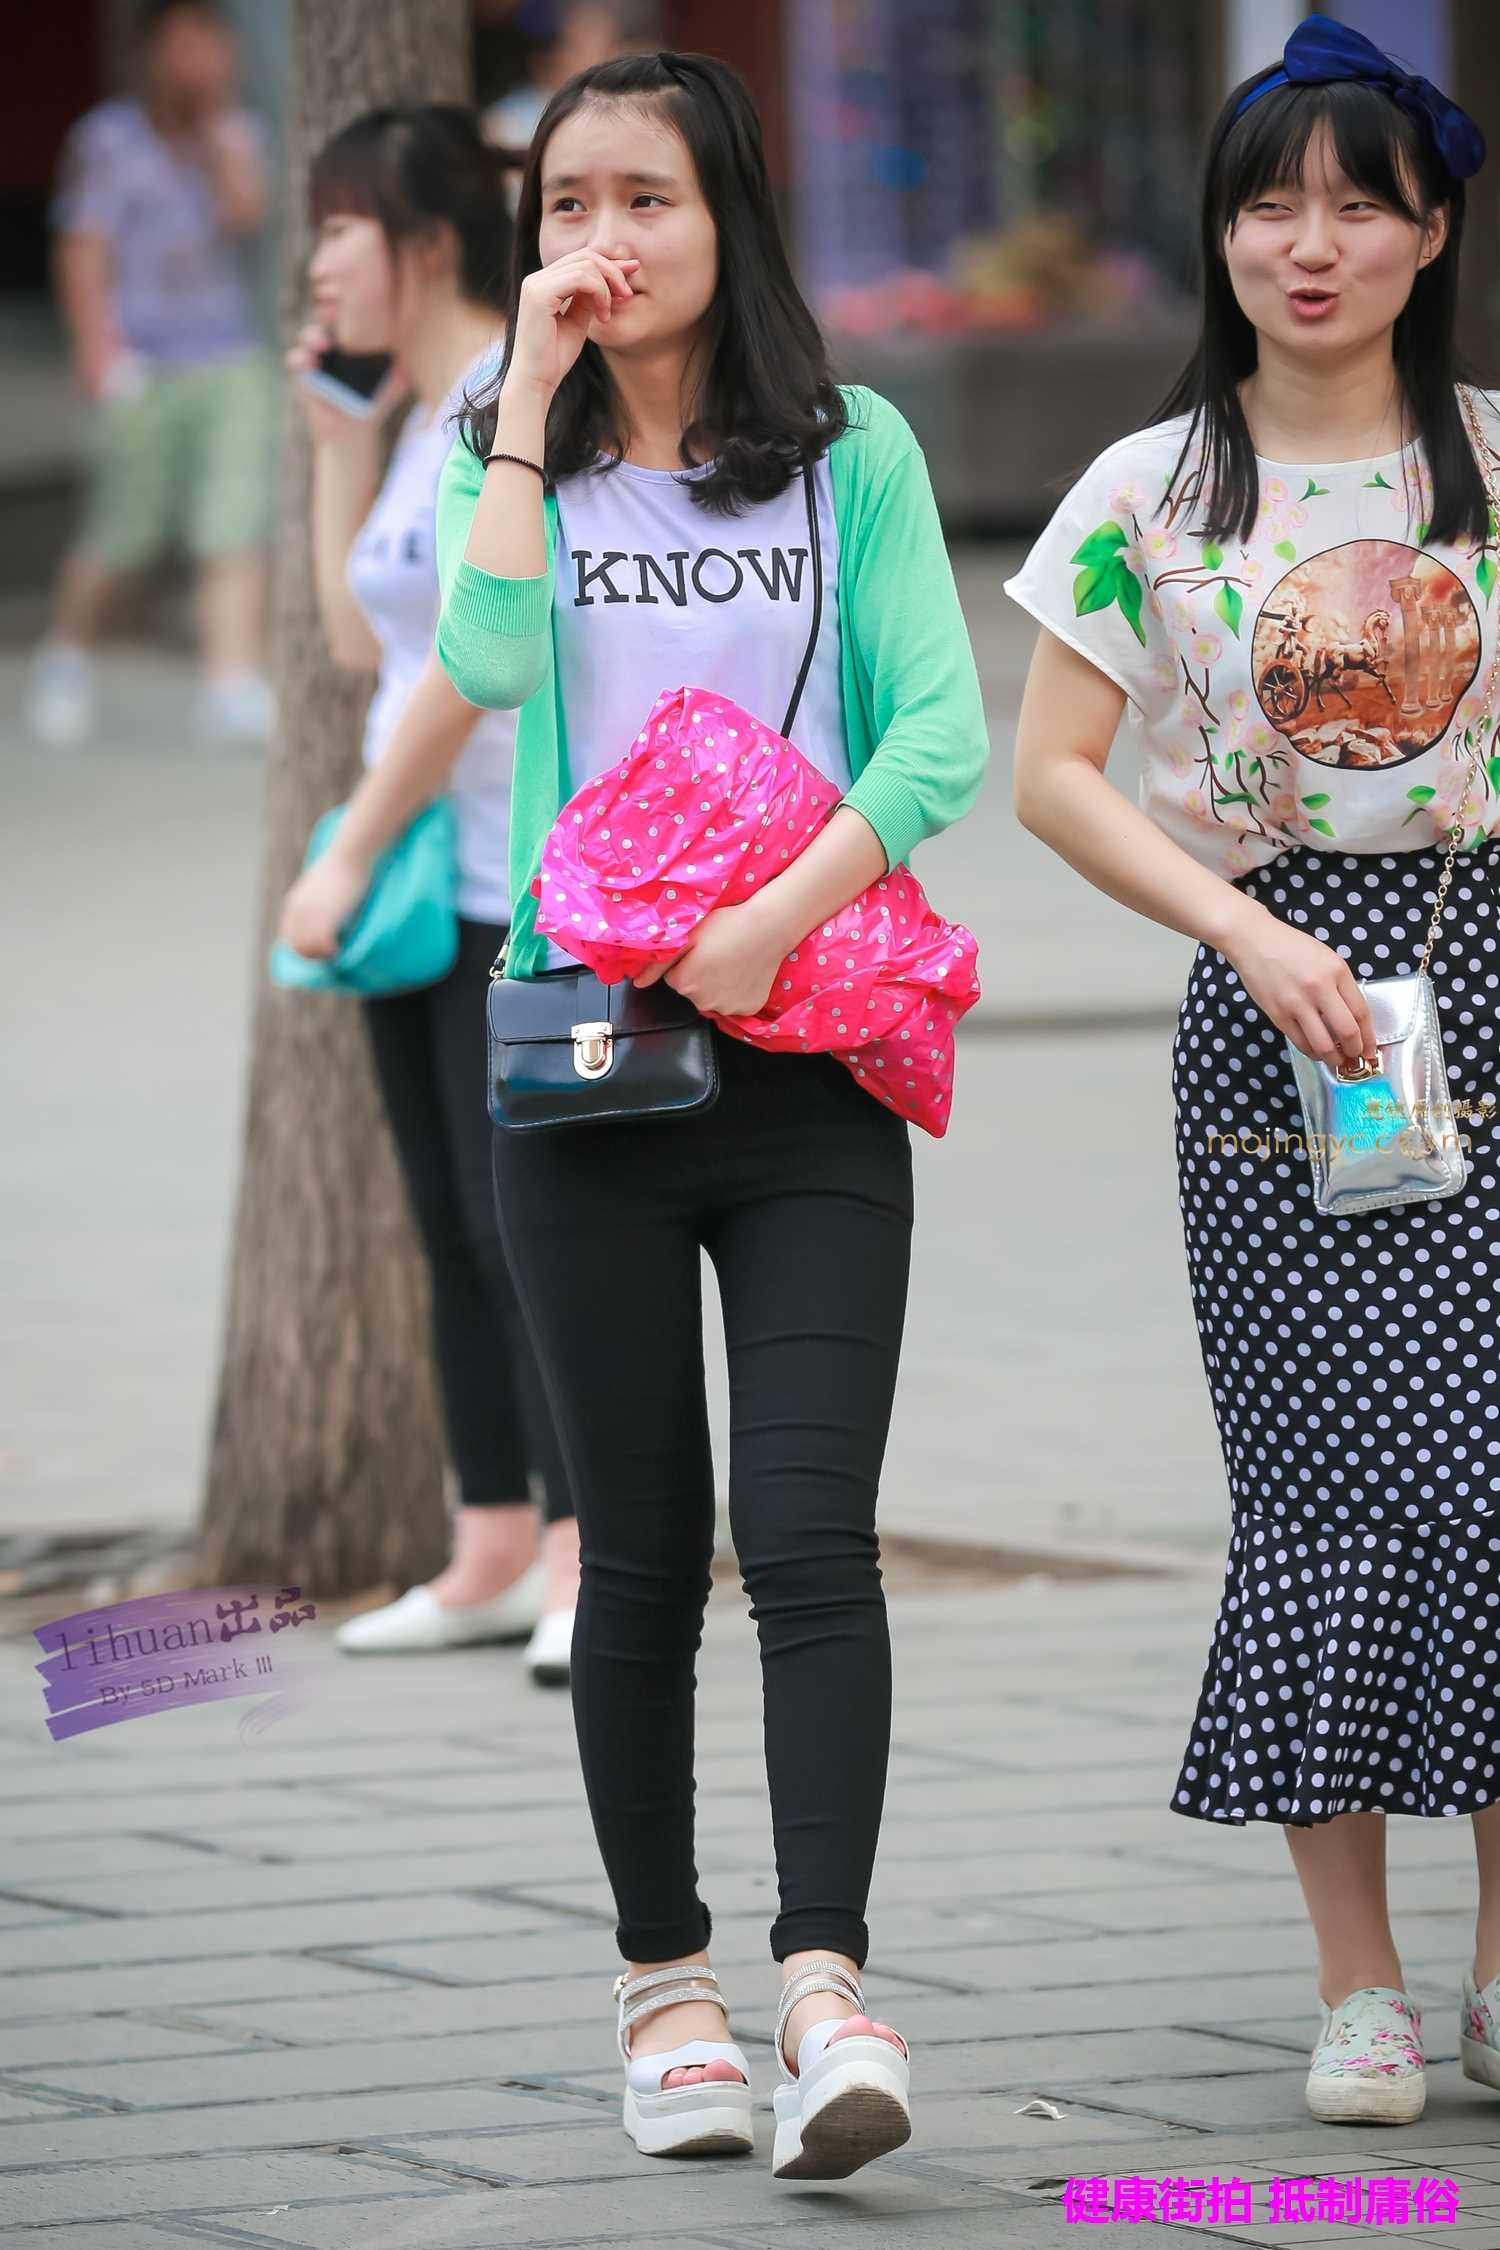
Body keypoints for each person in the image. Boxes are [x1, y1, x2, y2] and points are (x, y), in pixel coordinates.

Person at [431, 49, 988, 2177]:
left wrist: (771, 919)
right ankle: (665, 1990)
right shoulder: (518, 457)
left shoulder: (853, 453)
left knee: (815, 1533)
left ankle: (828, 1990)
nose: (605, 240)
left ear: (728, 214)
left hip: (809, 1052)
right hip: (584, 1064)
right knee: (645, 1553)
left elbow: (937, 734)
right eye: (567, 204)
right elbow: (489, 669)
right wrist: (520, 396)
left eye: (645, 197)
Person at [1004, 14, 1500, 2129]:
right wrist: (1245, 928)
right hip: (1279, 1025)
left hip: (1487, 978)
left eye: (1359, 205)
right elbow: (1050, 775)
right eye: (1269, 205)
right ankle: (1357, 1985)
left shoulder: (1495, 463)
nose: (1311, 244)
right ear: (1219, 233)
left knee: (1494, 1489)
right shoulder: (1150, 492)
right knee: (1326, 1498)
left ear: (1430, 231)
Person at [275, 104, 578, 1687]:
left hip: (520, 886)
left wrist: (343, 847)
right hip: (429, 894)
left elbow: (468, 671)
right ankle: (490, 1547)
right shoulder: (415, 419)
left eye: (342, 227)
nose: (319, 262)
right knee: (453, 1227)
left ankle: (591, 1558)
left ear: (430, 242)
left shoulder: (509, 407)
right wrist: (339, 445)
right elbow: (360, 643)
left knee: (538, 1225)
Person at [28, 0, 278, 750]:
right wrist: (96, 352)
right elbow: (83, 246)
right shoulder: (106, 138)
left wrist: (218, 135)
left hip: (226, 352)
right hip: (140, 358)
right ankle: (65, 657)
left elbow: (246, 213)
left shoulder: (238, 132)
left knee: (234, 520)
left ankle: (231, 681)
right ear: (154, 53)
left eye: (214, 46)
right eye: (186, 45)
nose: (202, 60)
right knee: (122, 534)